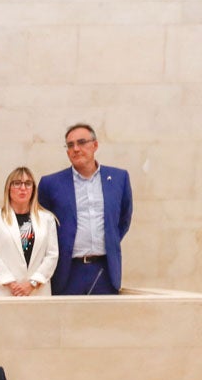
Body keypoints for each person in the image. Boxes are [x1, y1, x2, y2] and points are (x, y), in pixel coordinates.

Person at [40, 124, 133, 296]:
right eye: (70, 145)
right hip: (67, 271)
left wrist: (109, 240)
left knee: (104, 321)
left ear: (95, 145)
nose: (75, 149)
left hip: (104, 270)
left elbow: (124, 219)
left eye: (81, 142)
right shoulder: (51, 184)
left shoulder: (119, 178)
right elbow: (39, 226)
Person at [0, 167, 60, 297]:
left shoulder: (47, 219)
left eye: (28, 184)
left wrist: (33, 283)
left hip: (35, 291)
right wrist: (11, 283)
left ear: (33, 189)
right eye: (17, 183)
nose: (23, 188)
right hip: (2, 291)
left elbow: (52, 255)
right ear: (8, 188)